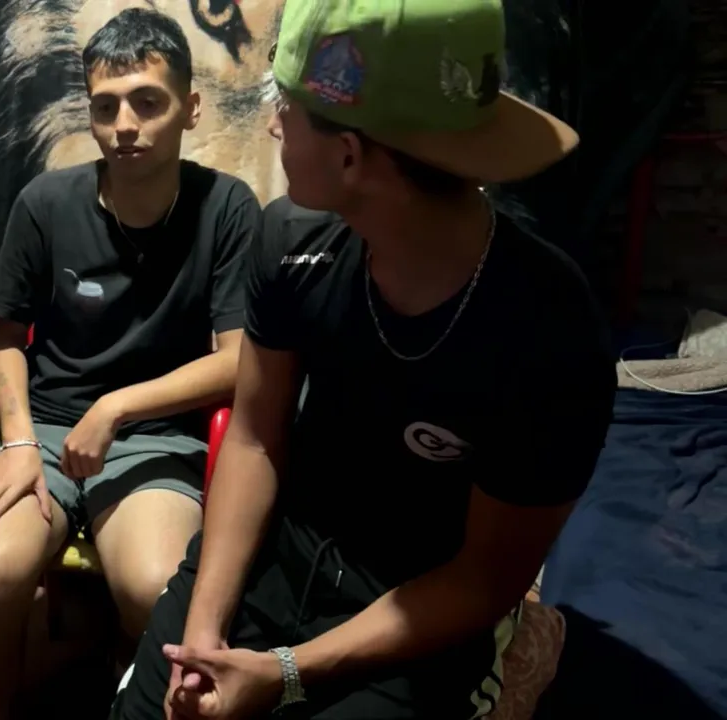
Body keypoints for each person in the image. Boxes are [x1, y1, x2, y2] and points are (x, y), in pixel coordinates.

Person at [112, 0, 617, 718]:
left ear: (349, 156)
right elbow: (254, 437)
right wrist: (202, 636)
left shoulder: (552, 333)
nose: (273, 125)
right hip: (272, 558)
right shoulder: (290, 240)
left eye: (286, 108)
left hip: (419, 607)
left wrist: (286, 673)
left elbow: (483, 579)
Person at [0, 8, 261, 718]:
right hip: (43, 429)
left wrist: (117, 407)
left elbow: (239, 362)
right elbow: (1, 337)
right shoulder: (46, 203)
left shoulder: (228, 208)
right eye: (105, 106)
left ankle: (126, 686)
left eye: (148, 102)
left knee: (152, 589)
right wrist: (19, 442)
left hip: (155, 434)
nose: (125, 124)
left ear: (190, 108)